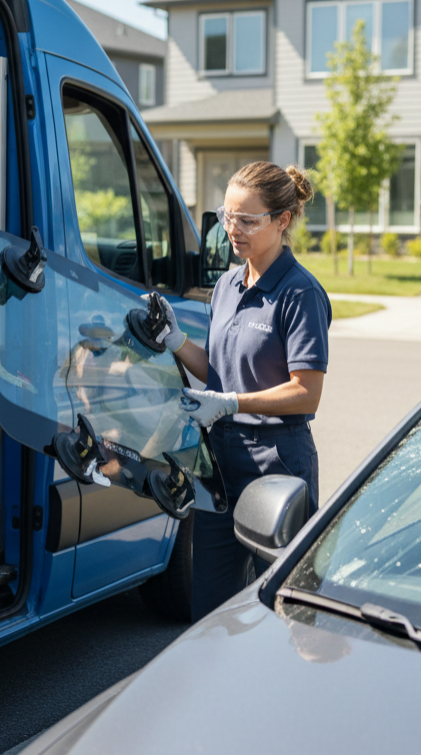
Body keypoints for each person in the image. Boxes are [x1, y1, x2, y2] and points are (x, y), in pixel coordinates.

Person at [154, 161, 331, 621]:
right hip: (220, 464)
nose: (233, 230)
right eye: (226, 217)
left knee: (282, 611)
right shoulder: (228, 286)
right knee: (210, 611)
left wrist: (231, 403)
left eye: (247, 220)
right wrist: (175, 342)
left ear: (282, 220)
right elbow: (221, 372)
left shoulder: (299, 294)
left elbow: (306, 393)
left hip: (277, 462)